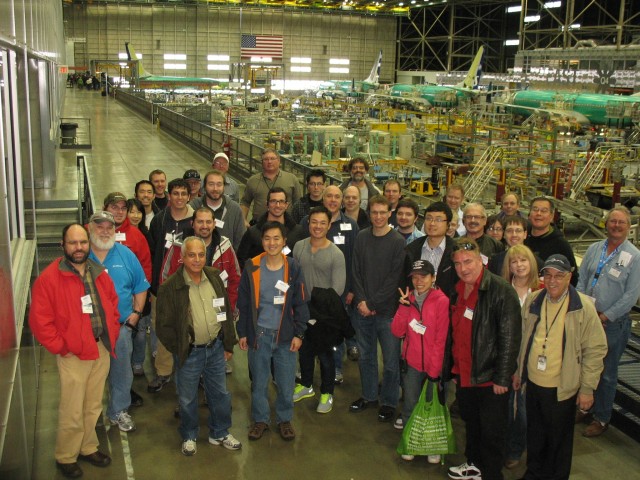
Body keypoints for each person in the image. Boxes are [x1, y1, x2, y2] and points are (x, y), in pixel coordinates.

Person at [29, 223, 120, 478]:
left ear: (88, 244)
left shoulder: (98, 271)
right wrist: (61, 347)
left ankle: (87, 446)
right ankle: (66, 455)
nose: (78, 248)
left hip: (99, 348)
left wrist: (111, 329)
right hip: (73, 354)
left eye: (82, 242)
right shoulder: (50, 278)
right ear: (63, 245)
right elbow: (39, 320)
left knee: (92, 405)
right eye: (73, 243)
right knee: (72, 407)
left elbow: (112, 303)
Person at [514, 254, 607, 480]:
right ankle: (534, 473)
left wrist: (586, 389)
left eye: (559, 276)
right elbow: (523, 338)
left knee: (558, 440)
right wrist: (518, 372)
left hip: (562, 387)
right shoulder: (534, 300)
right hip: (534, 383)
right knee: (535, 435)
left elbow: (596, 349)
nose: (553, 281)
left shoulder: (582, 307)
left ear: (569, 277)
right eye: (548, 275)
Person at [156, 236, 241, 456]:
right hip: (189, 353)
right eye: (191, 255)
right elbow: (163, 326)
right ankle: (189, 435)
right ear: (182, 258)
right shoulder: (170, 287)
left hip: (215, 348)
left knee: (220, 393)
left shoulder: (214, 277)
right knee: (187, 397)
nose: (196, 259)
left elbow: (224, 312)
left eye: (201, 254)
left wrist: (227, 342)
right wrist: (181, 347)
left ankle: (220, 432)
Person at [444, 237, 521, 480]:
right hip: (465, 373)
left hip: (490, 378)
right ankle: (474, 465)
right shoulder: (456, 290)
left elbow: (509, 338)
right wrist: (454, 371)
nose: (463, 268)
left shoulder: (500, 290)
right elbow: (455, 334)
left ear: (481, 261)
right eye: (457, 264)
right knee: (472, 424)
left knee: (492, 433)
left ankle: (491, 474)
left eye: (468, 262)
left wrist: (502, 377)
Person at [237, 222, 310, 441]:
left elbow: (301, 302)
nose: (272, 243)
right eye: (267, 238)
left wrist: (299, 333)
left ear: (284, 241)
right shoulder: (252, 266)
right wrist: (242, 332)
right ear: (262, 241)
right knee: (259, 381)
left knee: (286, 382)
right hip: (259, 334)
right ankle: (260, 420)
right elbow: (243, 303)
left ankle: (284, 419)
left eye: (276, 238)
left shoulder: (293, 267)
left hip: (285, 336)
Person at [576, 206, 640, 437]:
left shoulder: (634, 256)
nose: (616, 225)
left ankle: (602, 418)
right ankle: (585, 406)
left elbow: (630, 296)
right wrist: (584, 308)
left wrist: (604, 316)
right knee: (584, 365)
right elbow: (582, 279)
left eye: (621, 222)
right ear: (606, 224)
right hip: (588, 318)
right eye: (612, 221)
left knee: (607, 372)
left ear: (628, 226)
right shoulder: (595, 248)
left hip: (612, 324)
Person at [88, 211, 149, 433]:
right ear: (90, 228)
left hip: (121, 327)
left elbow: (141, 287)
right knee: (90, 373)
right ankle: (91, 414)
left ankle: (118, 410)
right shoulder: (81, 256)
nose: (105, 231)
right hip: (89, 331)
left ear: (115, 230)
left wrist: (135, 314)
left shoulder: (125, 255)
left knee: (122, 371)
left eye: (109, 227)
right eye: (100, 226)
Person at [349, 195, 406, 422]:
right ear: (369, 213)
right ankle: (370, 396)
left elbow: (394, 279)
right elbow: (356, 271)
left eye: (383, 212)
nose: (379, 217)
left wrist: (372, 303)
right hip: (362, 310)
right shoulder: (362, 237)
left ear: (389, 213)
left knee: (391, 361)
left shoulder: (397, 241)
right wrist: (362, 301)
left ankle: (389, 402)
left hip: (387, 312)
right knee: (366, 357)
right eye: (375, 213)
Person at [391, 259, 450, 464]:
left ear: (433, 278)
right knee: (410, 405)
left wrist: (434, 371)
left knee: (432, 406)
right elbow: (397, 331)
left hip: (434, 366)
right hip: (412, 364)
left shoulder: (441, 301)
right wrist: (403, 308)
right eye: (415, 277)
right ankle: (411, 442)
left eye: (423, 277)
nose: (418, 281)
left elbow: (440, 339)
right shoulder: (408, 300)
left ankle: (432, 444)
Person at [300, 185, 360, 381]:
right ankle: (307, 373)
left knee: (332, 336)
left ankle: (336, 370)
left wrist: (351, 289)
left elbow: (354, 260)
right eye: (329, 196)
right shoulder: (304, 230)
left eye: (337, 197)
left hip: (334, 296)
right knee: (306, 336)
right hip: (307, 299)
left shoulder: (350, 225)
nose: (333, 200)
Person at [293, 206, 347, 414]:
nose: (317, 226)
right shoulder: (299, 246)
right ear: (308, 223)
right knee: (305, 351)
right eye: (314, 222)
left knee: (325, 355)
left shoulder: (336, 254)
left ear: (329, 225)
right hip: (302, 310)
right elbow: (294, 277)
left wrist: (319, 310)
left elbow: (338, 288)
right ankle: (306, 385)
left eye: (322, 223)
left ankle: (327, 393)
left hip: (325, 315)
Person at [147, 178, 195, 393]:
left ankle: (191, 370)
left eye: (183, 193)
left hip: (188, 287)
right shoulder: (159, 220)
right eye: (175, 193)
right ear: (169, 195)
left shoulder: (195, 221)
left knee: (190, 329)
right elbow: (152, 252)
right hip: (162, 288)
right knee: (163, 328)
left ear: (189, 196)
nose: (179, 198)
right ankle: (164, 371)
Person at [500, 244, 542, 469]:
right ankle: (505, 446)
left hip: (532, 359)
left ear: (531, 263)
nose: (519, 265)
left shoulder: (542, 290)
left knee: (524, 410)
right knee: (506, 408)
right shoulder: (502, 289)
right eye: (514, 261)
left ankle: (517, 449)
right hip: (506, 358)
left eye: (523, 260)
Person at [236, 187, 304, 267]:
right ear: (267, 204)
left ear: (286, 205)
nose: (277, 205)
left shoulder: (298, 232)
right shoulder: (252, 232)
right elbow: (241, 260)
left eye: (281, 201)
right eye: (273, 201)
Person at [406, 201, 458, 299]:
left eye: (438, 220)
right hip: (415, 306)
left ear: (448, 225)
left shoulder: (456, 252)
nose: (432, 223)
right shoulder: (411, 249)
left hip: (445, 308)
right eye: (429, 218)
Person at [524, 196, 578, 286]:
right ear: (529, 214)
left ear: (551, 216)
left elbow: (573, 277)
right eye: (535, 209)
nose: (538, 213)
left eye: (544, 211)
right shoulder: (522, 238)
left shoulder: (561, 244)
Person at [240, 148, 302, 225]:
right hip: (259, 225)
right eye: (266, 159)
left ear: (279, 161)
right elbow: (245, 202)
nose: (269, 162)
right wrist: (243, 220)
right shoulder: (253, 180)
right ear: (262, 162)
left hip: (285, 225)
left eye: (272, 158)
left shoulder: (291, 179)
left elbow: (298, 203)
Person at [189, 170, 246, 251]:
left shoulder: (235, 209)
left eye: (219, 184)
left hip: (226, 261)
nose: (215, 189)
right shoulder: (193, 207)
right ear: (204, 186)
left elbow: (240, 240)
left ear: (224, 187)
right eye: (211, 184)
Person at [103, 192, 151, 282]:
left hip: (128, 293)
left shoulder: (136, 235)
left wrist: (142, 291)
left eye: (123, 208)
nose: (120, 212)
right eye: (114, 207)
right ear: (104, 208)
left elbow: (145, 265)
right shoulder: (91, 232)